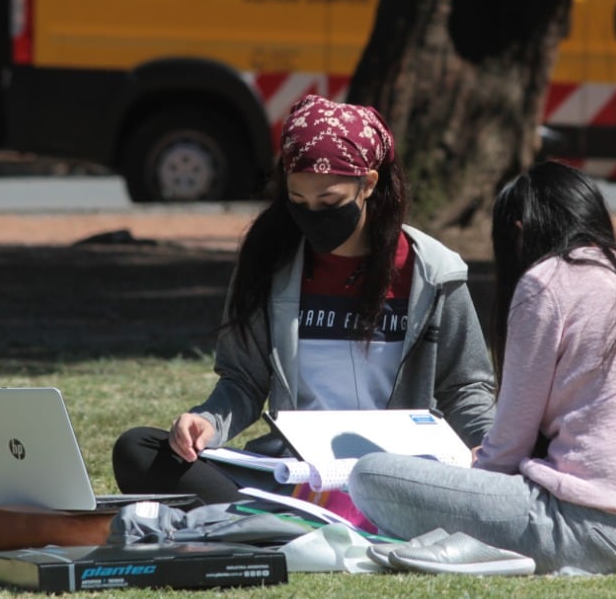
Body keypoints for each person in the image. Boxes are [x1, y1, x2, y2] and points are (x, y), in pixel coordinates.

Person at [112, 95, 496, 504]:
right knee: (138, 450)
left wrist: (492, 450)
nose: (313, 215)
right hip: (295, 472)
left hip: (404, 476)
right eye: (298, 202)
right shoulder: (267, 265)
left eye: (329, 202)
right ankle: (304, 515)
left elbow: (465, 387)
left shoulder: (434, 272)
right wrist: (206, 422)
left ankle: (278, 519)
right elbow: (242, 381)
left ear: (368, 183)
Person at [348, 160, 616, 574]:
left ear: (519, 230)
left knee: (369, 474)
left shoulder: (547, 280)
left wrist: (477, 476)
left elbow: (509, 448)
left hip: (593, 527)